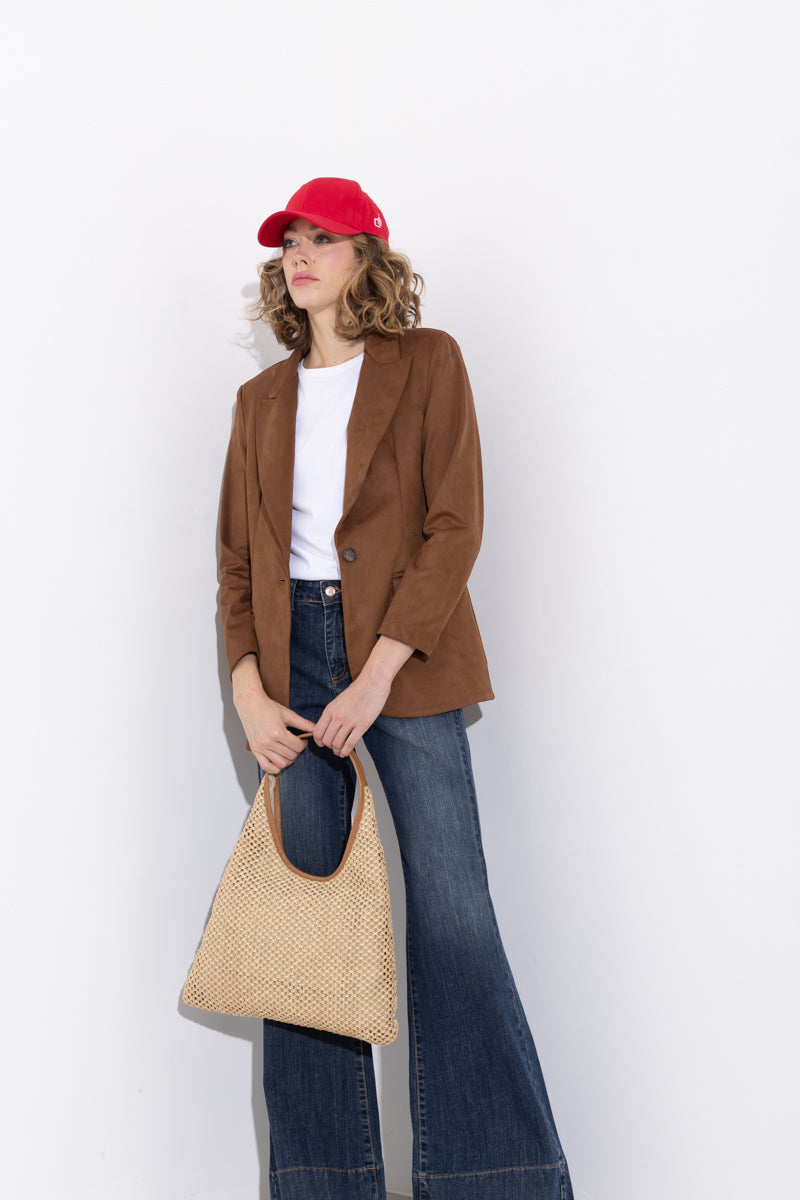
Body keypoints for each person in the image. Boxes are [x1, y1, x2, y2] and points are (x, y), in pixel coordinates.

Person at [219, 177, 573, 1200]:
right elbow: (237, 565)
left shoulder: (428, 363)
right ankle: (323, 1180)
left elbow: (454, 524)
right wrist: (248, 690)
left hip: (403, 654)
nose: (300, 255)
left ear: (368, 257)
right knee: (308, 930)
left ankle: (494, 1178)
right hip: (289, 664)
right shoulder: (259, 401)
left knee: (453, 915)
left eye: (322, 239)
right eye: (289, 241)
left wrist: (377, 671)